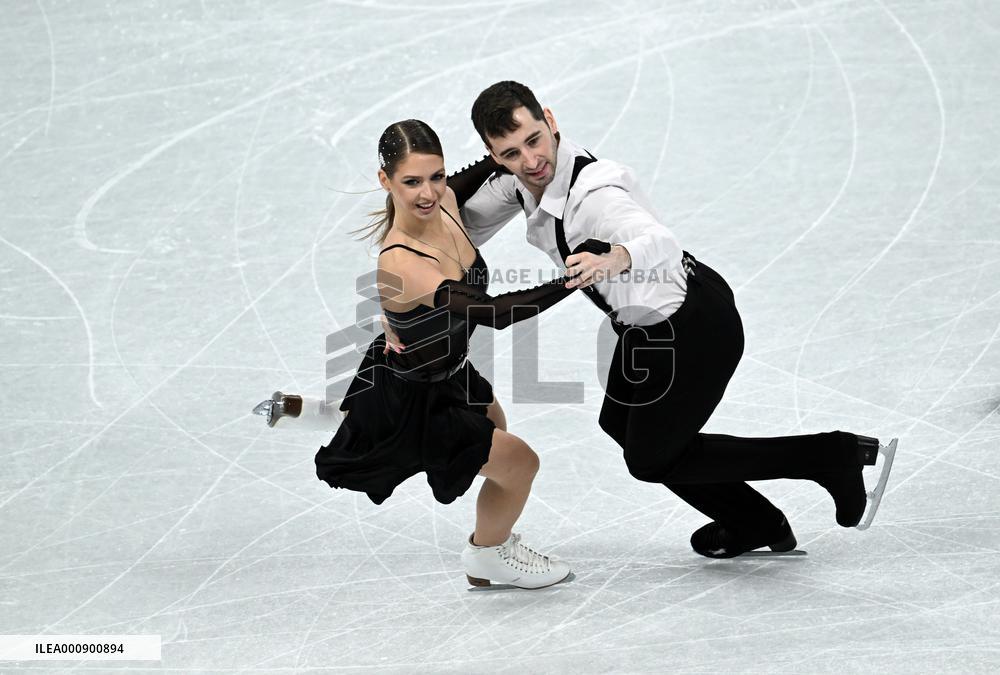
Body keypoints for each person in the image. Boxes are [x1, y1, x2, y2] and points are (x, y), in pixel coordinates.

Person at [419, 81, 898, 558]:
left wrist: (619, 256)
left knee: (650, 458)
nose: (530, 161)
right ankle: (754, 521)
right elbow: (454, 222)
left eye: (535, 139)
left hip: (693, 327)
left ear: (551, 121)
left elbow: (661, 242)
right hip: (645, 327)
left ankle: (829, 456)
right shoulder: (521, 181)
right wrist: (480, 167)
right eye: (509, 152)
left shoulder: (597, 193)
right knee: (620, 424)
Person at [311, 119, 580, 588]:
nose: (428, 193)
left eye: (435, 176)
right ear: (385, 181)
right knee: (520, 464)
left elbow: (485, 166)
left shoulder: (447, 202)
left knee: (497, 433)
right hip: (417, 396)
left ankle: (492, 544)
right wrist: (577, 276)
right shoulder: (401, 260)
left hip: (452, 371)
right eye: (411, 182)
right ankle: (488, 556)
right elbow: (492, 313)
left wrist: (516, 147)